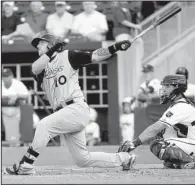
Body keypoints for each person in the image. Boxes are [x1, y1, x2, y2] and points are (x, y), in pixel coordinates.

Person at [3, 31, 136, 175]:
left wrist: (115, 47)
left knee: (43, 125)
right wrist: (52, 50)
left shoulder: (68, 56)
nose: (38, 47)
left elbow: (95, 56)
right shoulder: (40, 69)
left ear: (51, 44)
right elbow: (34, 69)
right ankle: (124, 158)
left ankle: (26, 165)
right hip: (64, 113)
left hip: (75, 107)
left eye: (41, 43)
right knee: (82, 159)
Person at [118, 74, 195, 169]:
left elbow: (156, 127)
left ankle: (190, 160)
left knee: (158, 145)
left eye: (168, 86)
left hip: (192, 144)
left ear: (177, 88)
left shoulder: (180, 106)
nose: (164, 89)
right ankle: (179, 161)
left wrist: (135, 143)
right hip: (190, 142)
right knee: (161, 134)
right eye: (164, 86)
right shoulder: (179, 104)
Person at [2, 68, 29, 142]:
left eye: (7, 76)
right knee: (9, 136)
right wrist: (7, 97)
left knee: (16, 136)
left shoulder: (17, 84)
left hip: (17, 111)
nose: (5, 78)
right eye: (4, 76)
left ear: (11, 76)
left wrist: (17, 96)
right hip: (4, 112)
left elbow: (26, 96)